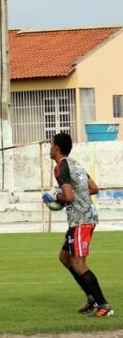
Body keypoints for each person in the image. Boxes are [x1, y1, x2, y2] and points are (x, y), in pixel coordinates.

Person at [42, 133, 114, 317]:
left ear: (56, 147)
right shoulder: (76, 164)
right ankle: (91, 298)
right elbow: (94, 188)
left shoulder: (60, 167)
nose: (50, 148)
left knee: (78, 262)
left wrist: (54, 196)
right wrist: (74, 195)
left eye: (51, 145)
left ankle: (104, 305)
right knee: (65, 257)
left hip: (81, 220)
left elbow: (69, 197)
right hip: (82, 219)